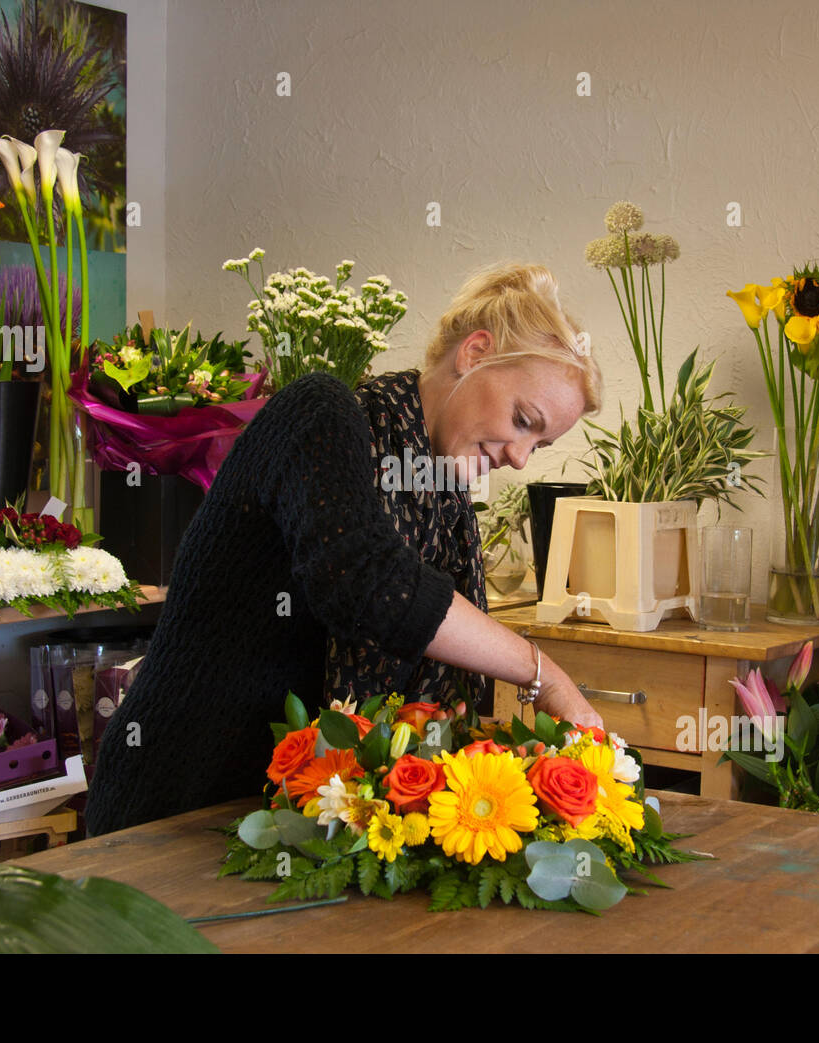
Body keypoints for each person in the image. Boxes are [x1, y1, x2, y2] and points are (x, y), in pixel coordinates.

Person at [86, 262, 605, 836]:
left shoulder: (439, 493)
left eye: (543, 442)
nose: (521, 458)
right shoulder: (321, 413)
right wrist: (543, 674)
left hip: (293, 821)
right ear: (475, 353)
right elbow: (370, 583)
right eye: (524, 421)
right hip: (178, 804)